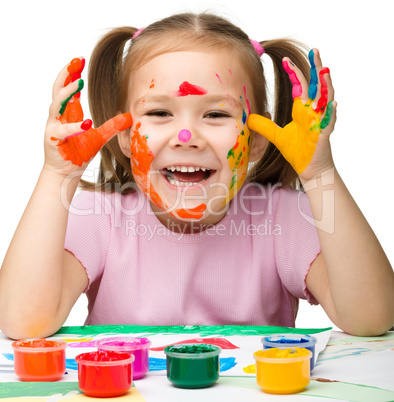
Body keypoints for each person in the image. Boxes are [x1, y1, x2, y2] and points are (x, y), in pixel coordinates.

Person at [0, 13, 392, 340]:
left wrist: (320, 172)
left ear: (257, 140)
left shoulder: (282, 218)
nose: (187, 137)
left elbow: (372, 318)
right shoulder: (99, 217)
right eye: (159, 113)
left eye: (217, 114)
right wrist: (57, 175)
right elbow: (22, 322)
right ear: (122, 135)